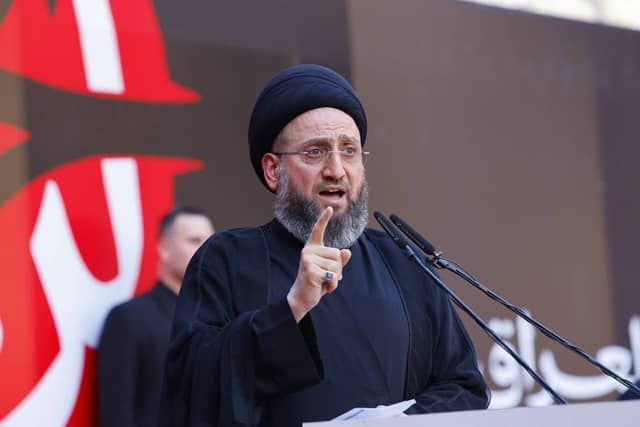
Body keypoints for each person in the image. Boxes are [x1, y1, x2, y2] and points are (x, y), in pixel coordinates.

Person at [160, 64, 489, 427]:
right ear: (273, 170)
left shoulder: (403, 263)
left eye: (349, 151)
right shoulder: (227, 259)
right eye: (315, 152)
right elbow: (193, 389)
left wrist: (401, 422)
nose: (336, 169)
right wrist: (292, 308)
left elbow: (463, 387)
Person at [97, 207, 214, 427]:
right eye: (194, 241)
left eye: (210, 242)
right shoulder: (129, 318)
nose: (205, 249)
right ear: (164, 248)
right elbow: (117, 414)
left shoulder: (221, 319)